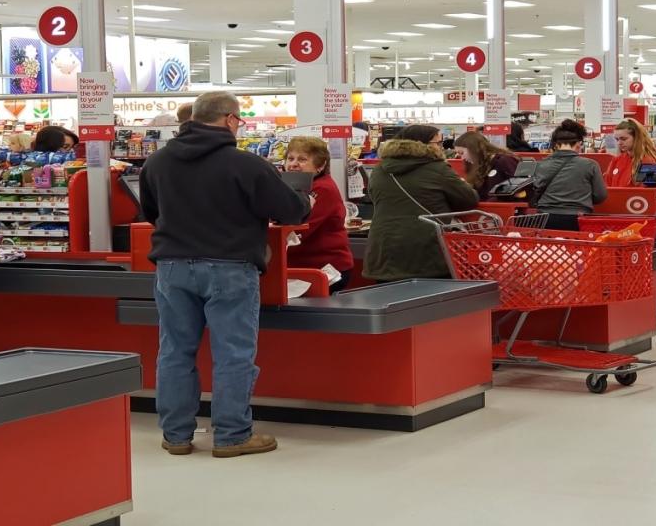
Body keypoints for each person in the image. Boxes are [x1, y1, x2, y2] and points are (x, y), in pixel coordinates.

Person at [139, 91, 312, 459]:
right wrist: (302, 195)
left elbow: (151, 212)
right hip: (230, 267)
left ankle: (176, 435)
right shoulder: (246, 165)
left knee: (174, 351)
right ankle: (232, 435)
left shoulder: (157, 162)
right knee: (233, 354)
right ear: (230, 120)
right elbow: (289, 211)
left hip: (172, 267)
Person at [364, 133, 479, 282]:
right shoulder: (437, 168)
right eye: (437, 142)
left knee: (388, 295)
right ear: (423, 143)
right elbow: (468, 199)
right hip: (427, 249)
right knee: (434, 295)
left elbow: (374, 197)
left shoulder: (379, 169)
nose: (441, 146)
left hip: (384, 248)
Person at [284, 136, 355, 294]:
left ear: (320, 165)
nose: (293, 164)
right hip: (301, 268)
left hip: (325, 269)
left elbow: (300, 229)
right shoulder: (294, 188)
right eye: (290, 158)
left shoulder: (322, 189)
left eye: (302, 159)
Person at [532, 119, 608, 231]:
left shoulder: (541, 164)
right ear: (579, 144)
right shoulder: (590, 165)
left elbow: (535, 190)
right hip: (578, 218)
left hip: (545, 218)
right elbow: (600, 195)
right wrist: (583, 198)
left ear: (555, 145)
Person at [453, 131, 520, 201]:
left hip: (502, 206)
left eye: (462, 153)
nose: (462, 158)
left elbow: (519, 187)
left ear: (474, 149)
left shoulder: (504, 160)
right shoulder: (476, 165)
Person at [604, 120, 656, 187]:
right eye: (617, 139)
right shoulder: (616, 160)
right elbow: (607, 185)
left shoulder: (648, 161)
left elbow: (648, 191)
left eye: (624, 139)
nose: (619, 143)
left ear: (636, 138)